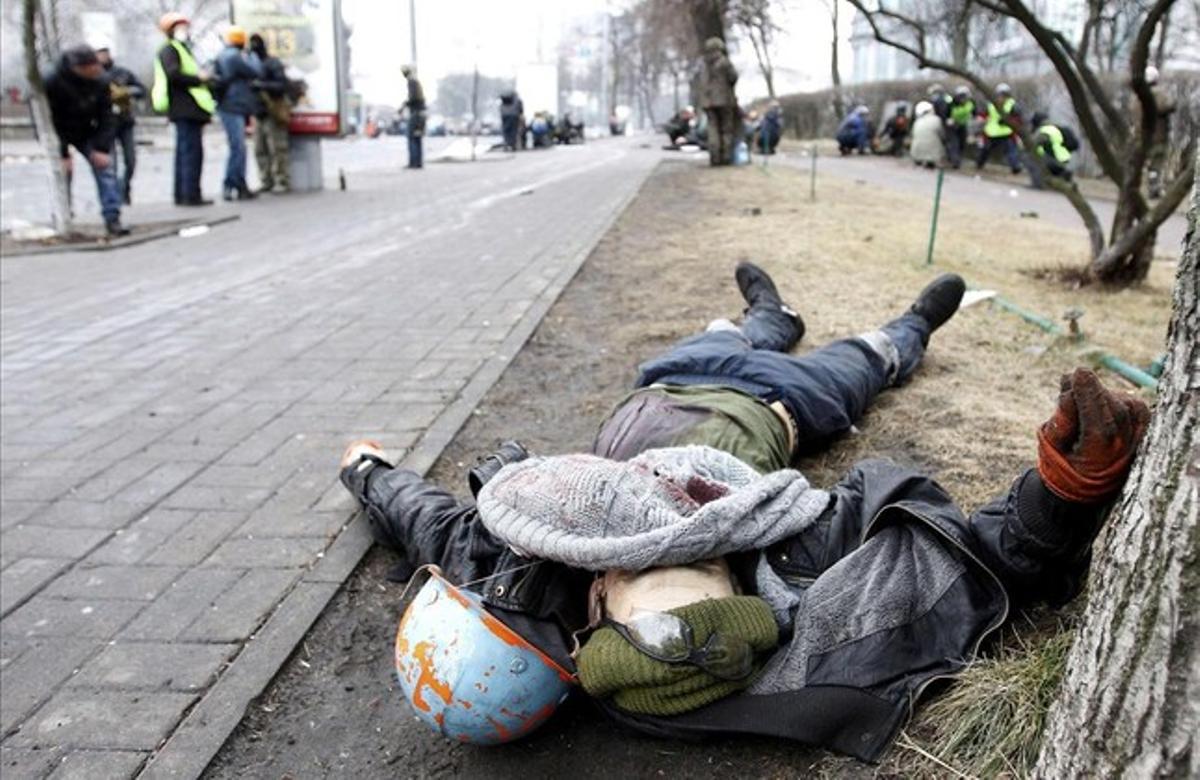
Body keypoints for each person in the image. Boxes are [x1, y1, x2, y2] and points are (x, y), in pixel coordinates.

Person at [339, 264, 1149, 759]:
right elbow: (967, 563)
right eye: (695, 578)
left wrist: (368, 470)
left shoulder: (519, 564)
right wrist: (1064, 493)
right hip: (780, 404)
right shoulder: (778, 555)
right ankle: (914, 323)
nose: (668, 569)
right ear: (587, 646)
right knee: (865, 358)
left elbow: (429, 522)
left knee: (739, 330)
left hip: (664, 383)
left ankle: (770, 314)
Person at [44, 44, 128, 236]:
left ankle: (112, 217)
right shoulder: (52, 82)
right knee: (62, 173)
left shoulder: (101, 81)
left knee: (105, 170)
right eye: (92, 68)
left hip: (89, 130)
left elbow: (108, 115)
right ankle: (63, 214)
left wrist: (101, 148)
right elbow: (47, 118)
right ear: (79, 68)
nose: (98, 71)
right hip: (60, 132)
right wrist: (62, 152)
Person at [153, 12, 215, 206]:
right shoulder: (170, 50)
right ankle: (189, 195)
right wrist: (200, 79)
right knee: (190, 153)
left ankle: (185, 194)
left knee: (186, 152)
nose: (185, 31)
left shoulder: (182, 49)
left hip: (189, 109)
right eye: (180, 27)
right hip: (185, 108)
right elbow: (174, 76)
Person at [213, 27, 262, 201]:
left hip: (231, 105)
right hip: (233, 106)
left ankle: (237, 184)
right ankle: (232, 184)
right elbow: (255, 70)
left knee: (238, 148)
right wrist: (253, 55)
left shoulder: (223, 55)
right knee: (238, 148)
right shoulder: (234, 57)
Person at [95, 46, 145, 205]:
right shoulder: (94, 75)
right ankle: (115, 195)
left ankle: (125, 187)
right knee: (111, 163)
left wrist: (127, 91)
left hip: (125, 121)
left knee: (131, 160)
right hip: (106, 124)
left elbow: (141, 89)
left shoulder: (123, 72)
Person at [249, 33, 291, 194]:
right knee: (260, 149)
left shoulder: (273, 63)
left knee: (277, 148)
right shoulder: (250, 64)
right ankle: (266, 180)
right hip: (257, 112)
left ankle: (281, 180)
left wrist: (262, 85)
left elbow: (281, 85)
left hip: (273, 110)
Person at [701, 37, 738, 166]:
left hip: (708, 101)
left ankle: (714, 158)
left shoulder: (704, 64)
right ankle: (726, 157)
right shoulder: (725, 62)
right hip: (724, 100)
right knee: (726, 129)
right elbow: (733, 78)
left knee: (712, 129)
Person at [1142, 65, 1176, 199]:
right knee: (1156, 162)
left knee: (1148, 163)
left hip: (1143, 135)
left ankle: (1150, 186)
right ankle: (1153, 189)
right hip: (1158, 134)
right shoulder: (1159, 94)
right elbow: (1167, 106)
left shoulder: (1139, 94)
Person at [975, 82, 1022, 174]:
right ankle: (979, 164)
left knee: (1011, 150)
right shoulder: (991, 104)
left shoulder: (1013, 105)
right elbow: (983, 114)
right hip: (991, 132)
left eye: (1004, 95)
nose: (1001, 98)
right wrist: (980, 119)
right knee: (985, 149)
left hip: (1006, 132)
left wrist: (1009, 122)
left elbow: (1018, 119)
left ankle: (1015, 167)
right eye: (1000, 95)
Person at [1027, 111, 1074, 188]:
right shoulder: (1054, 128)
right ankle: (1061, 174)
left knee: (1031, 160)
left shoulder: (1044, 131)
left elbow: (1033, 144)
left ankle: (1038, 184)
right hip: (1064, 158)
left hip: (1054, 159)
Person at [401, 65, 426, 169]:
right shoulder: (416, 82)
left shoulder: (411, 82)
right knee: (417, 138)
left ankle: (414, 163)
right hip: (421, 113)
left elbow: (413, 98)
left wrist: (404, 105)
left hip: (415, 114)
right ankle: (418, 162)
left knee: (412, 138)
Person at [946, 85, 975, 169]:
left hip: (963, 125)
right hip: (953, 126)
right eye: (961, 97)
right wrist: (949, 120)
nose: (963, 99)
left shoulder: (970, 103)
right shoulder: (951, 104)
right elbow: (946, 115)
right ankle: (955, 162)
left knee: (962, 143)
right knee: (954, 143)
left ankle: (958, 158)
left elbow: (974, 113)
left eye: (965, 97)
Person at [909, 100, 943, 169]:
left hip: (916, 151)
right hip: (932, 152)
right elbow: (941, 133)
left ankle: (918, 160)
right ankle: (930, 162)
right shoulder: (937, 119)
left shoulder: (917, 121)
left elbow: (912, 134)